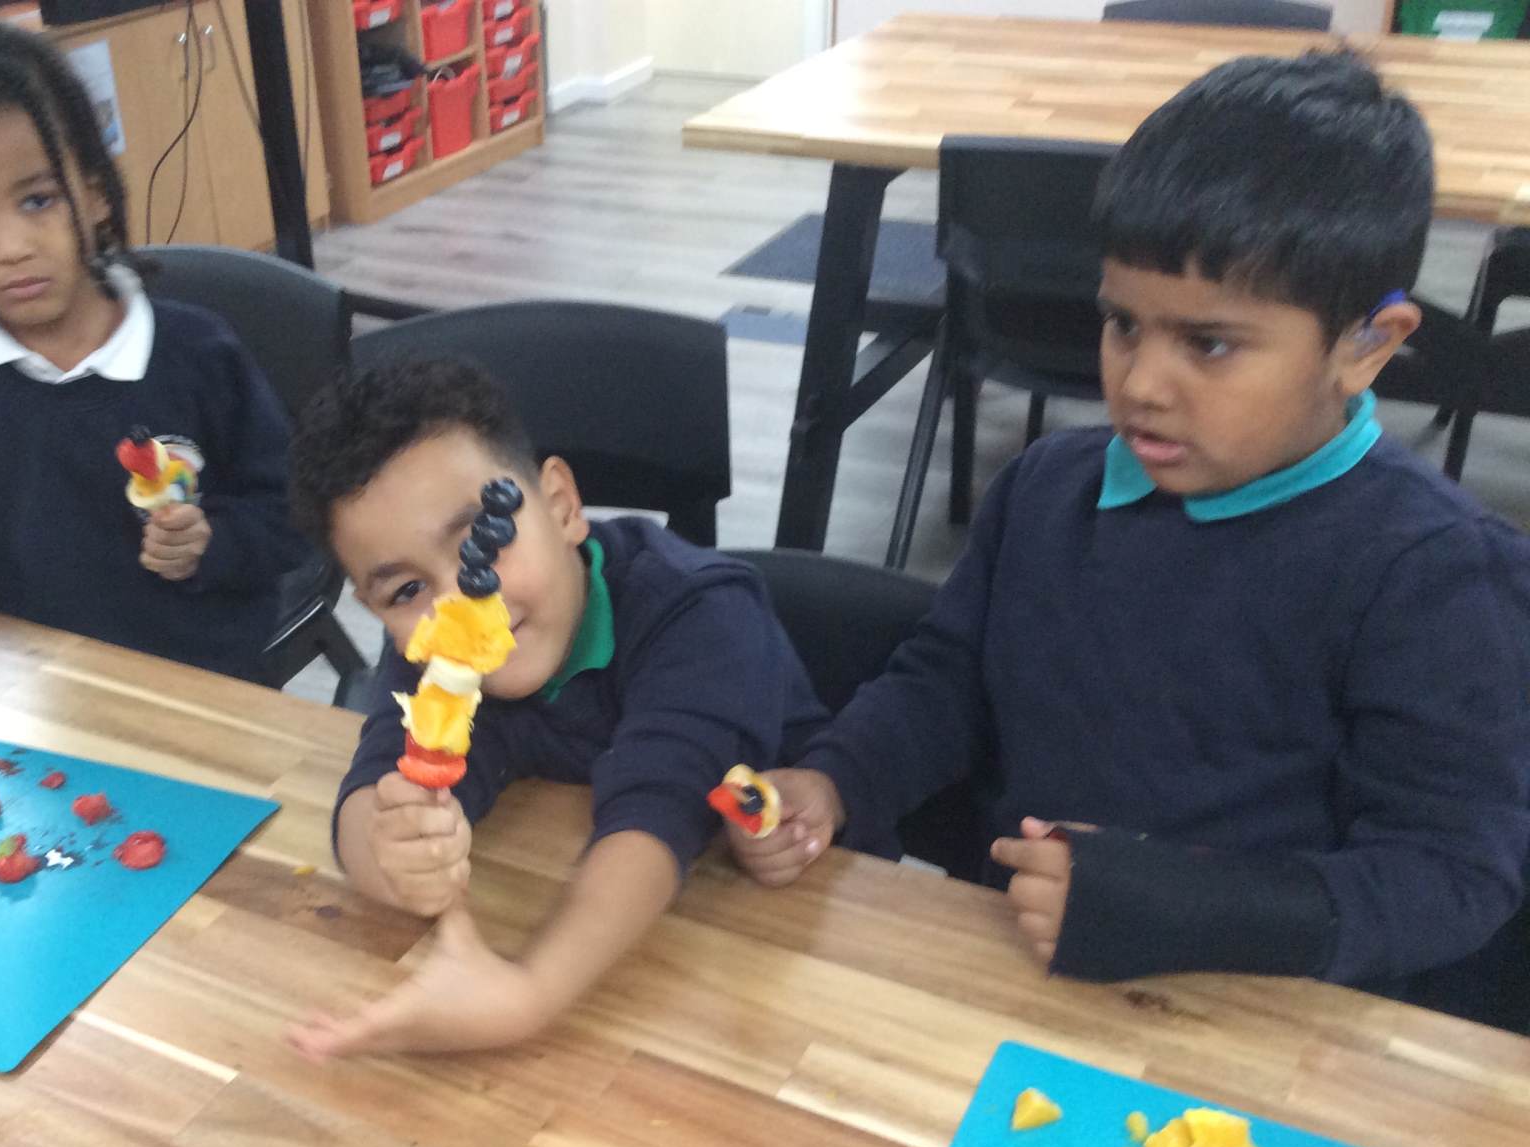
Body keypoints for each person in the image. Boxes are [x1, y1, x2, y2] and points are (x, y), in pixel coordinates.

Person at [726, 51, 1530, 1026]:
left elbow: (1450, 876)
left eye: (1209, 343)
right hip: (1018, 975)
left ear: (1369, 345)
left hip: (1261, 1024)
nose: (1141, 383)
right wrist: (835, 780)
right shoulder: (1046, 491)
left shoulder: (1441, 577)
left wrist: (1186, 907)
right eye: (1121, 323)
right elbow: (944, 684)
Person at [286, 359, 826, 1057]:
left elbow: (655, 818)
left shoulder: (702, 614)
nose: (460, 603)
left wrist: (526, 995)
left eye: (483, 543)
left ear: (562, 506)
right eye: (406, 591)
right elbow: (372, 788)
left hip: (797, 937)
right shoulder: (437, 649)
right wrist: (392, 854)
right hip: (653, 954)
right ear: (374, 608)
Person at [0, 22, 306, 681]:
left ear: (96, 191)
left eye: (38, 200)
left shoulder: (198, 352)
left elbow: (292, 513)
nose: (11, 247)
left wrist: (210, 542)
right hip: (24, 685)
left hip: (200, 684)